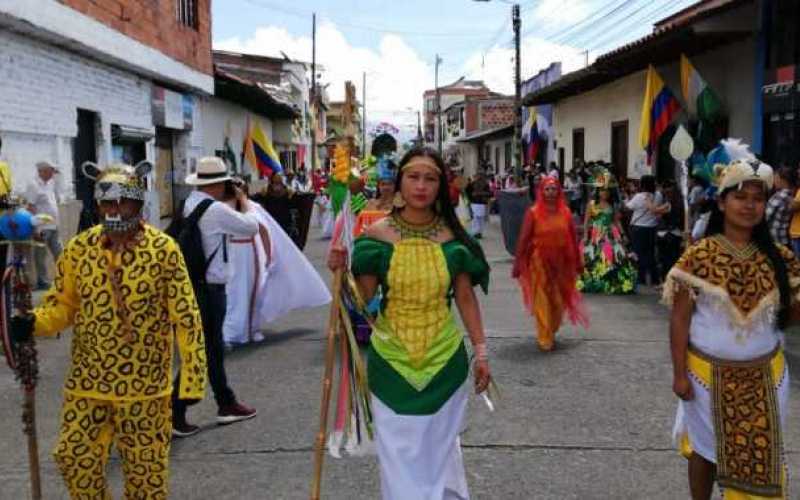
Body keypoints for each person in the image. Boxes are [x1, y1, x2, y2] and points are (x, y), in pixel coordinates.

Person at [10, 161, 206, 499]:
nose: (114, 210)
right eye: (107, 203)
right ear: (98, 205)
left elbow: (186, 316)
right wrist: (33, 322)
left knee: (146, 479)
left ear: (137, 202)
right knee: (73, 458)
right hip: (88, 385)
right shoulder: (78, 250)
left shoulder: (163, 251)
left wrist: (193, 376)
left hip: (144, 390)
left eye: (122, 202)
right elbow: (62, 308)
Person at [328, 147, 491, 500]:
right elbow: (360, 302)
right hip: (391, 364)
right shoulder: (377, 235)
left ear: (440, 186)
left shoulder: (454, 235)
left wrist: (481, 353)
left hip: (446, 363)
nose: (421, 186)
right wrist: (340, 274)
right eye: (413, 177)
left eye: (430, 178)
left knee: (436, 453)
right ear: (400, 181)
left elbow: (465, 298)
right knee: (398, 457)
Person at [664, 141, 797, 500]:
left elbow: (792, 317)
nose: (750, 205)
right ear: (722, 202)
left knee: (762, 453)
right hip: (706, 376)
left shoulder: (781, 259)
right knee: (705, 451)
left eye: (758, 197)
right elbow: (679, 320)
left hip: (766, 377)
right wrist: (679, 373)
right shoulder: (699, 256)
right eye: (740, 197)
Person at [173, 157, 259, 437]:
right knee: (204, 351)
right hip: (209, 291)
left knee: (208, 349)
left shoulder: (189, 203)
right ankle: (175, 409)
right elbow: (251, 226)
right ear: (219, 184)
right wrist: (243, 199)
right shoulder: (214, 210)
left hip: (195, 285)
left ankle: (225, 401)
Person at [513, 176, 588, 351]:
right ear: (541, 191)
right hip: (539, 261)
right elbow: (523, 239)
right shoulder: (533, 212)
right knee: (541, 298)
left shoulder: (566, 212)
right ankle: (544, 336)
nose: (551, 192)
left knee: (558, 300)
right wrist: (518, 262)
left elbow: (572, 238)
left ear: (559, 191)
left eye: (554, 189)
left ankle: (551, 329)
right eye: (547, 189)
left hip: (562, 262)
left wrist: (578, 261)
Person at [578, 170, 637, 294]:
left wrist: (622, 234)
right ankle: (594, 281)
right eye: (603, 191)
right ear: (598, 192)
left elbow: (616, 221)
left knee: (612, 257)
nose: (605, 193)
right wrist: (585, 236)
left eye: (607, 191)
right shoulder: (591, 204)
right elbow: (586, 222)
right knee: (593, 258)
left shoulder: (612, 205)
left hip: (611, 233)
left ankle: (610, 282)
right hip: (595, 233)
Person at [25, 160, 63, 289]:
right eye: (50, 170)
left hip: (54, 225)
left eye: (53, 171)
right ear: (42, 171)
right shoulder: (33, 185)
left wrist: (59, 176)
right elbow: (30, 207)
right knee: (40, 256)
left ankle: (64, 276)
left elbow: (57, 197)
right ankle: (43, 281)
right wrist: (34, 229)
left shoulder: (51, 183)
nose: (53, 173)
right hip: (41, 227)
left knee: (59, 253)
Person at [625, 175, 661, 286]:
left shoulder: (639, 196)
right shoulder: (658, 195)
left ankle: (641, 278)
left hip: (638, 228)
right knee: (650, 253)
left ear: (642, 184)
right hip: (652, 227)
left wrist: (626, 197)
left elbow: (628, 206)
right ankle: (654, 278)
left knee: (638, 253)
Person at [354, 157, 395, 236]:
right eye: (383, 184)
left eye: (389, 184)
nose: (386, 187)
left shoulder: (400, 205)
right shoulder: (371, 203)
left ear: (394, 186)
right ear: (378, 187)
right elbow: (362, 226)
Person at [765, 166, 795, 246]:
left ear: (782, 179)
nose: (774, 181)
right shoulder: (792, 196)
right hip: (783, 238)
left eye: (775, 178)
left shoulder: (779, 196)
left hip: (774, 239)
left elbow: (765, 217)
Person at [465, 170, 491, 239]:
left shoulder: (485, 184)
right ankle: (476, 232)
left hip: (481, 203)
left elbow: (490, 193)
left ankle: (479, 232)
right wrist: (471, 197)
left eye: (480, 176)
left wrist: (480, 194)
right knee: (476, 218)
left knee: (480, 218)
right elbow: (467, 191)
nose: (479, 177)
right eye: (478, 175)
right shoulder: (472, 184)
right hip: (475, 202)